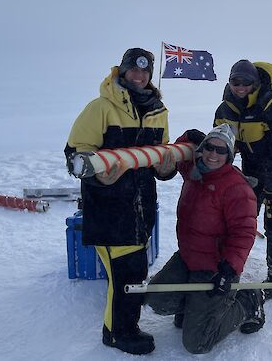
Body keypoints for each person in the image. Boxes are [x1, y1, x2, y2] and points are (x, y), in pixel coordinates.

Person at [64, 47, 177, 355]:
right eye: (133, 70)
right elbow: (74, 155)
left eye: (145, 72)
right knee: (126, 274)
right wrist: (98, 176)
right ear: (123, 70)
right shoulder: (100, 108)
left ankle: (119, 326)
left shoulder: (158, 111)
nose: (139, 76)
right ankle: (119, 333)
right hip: (109, 208)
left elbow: (160, 158)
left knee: (131, 272)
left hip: (141, 209)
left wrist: (166, 169)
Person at [145, 124, 265, 355]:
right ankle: (195, 308)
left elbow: (244, 233)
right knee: (157, 300)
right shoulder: (193, 169)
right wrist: (190, 135)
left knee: (197, 342)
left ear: (229, 156)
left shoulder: (237, 188)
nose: (213, 154)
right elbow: (179, 149)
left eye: (221, 151)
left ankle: (248, 302)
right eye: (209, 147)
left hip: (215, 266)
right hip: (189, 257)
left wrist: (228, 270)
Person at [214, 60, 272, 299]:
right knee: (241, 216)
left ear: (256, 83)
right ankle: (226, 265)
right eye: (236, 81)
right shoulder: (225, 110)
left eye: (247, 82)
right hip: (253, 166)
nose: (241, 87)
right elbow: (221, 145)